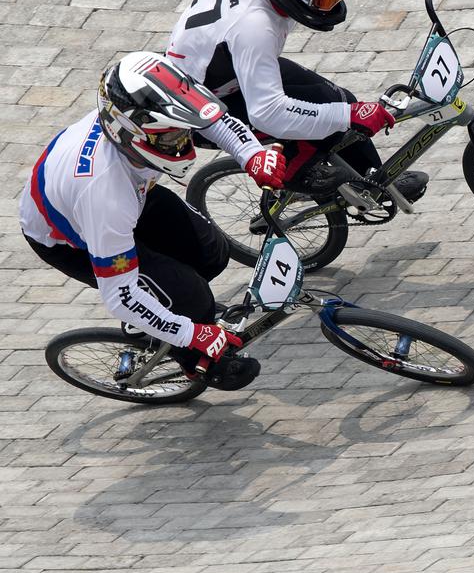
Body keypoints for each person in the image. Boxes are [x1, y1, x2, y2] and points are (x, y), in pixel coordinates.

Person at [20, 52, 287, 391]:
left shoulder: (146, 114)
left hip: (133, 196)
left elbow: (213, 120)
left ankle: (159, 314)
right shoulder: (105, 195)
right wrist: (193, 332)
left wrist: (252, 154)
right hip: (73, 237)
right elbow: (119, 293)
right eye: (171, 139)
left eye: (182, 133)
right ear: (129, 133)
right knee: (191, 297)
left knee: (212, 253)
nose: (183, 143)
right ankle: (196, 364)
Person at [166, 0, 448, 199]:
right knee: (320, 132)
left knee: (341, 100)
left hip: (232, 72)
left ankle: (374, 181)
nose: (332, 3)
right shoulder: (255, 27)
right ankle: (301, 177)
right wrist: (347, 117)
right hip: (201, 104)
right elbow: (268, 114)